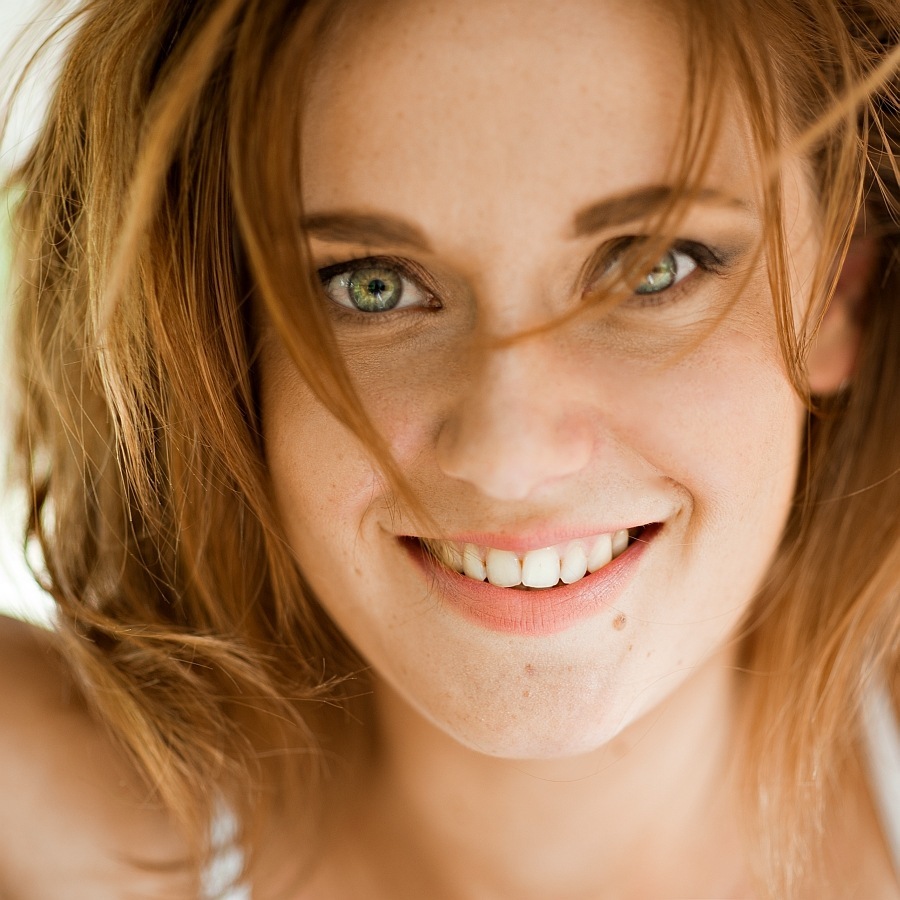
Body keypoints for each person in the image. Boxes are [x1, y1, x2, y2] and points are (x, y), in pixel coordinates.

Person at [0, 0, 898, 896]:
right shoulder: (46, 827)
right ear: (222, 330)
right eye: (373, 286)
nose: (510, 463)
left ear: (839, 291)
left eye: (652, 268)